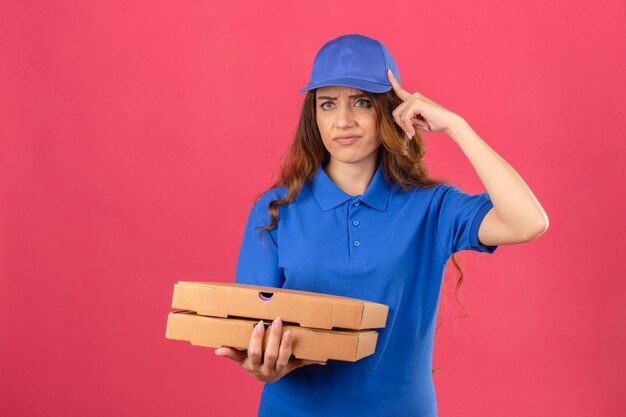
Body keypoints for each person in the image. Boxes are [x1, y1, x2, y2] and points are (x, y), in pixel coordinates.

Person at [214, 34, 549, 417]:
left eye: (362, 102)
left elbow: (529, 221)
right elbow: (248, 332)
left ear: (391, 109)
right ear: (314, 116)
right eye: (327, 104)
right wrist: (260, 365)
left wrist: (456, 125)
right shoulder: (275, 209)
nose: (343, 120)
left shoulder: (431, 207)